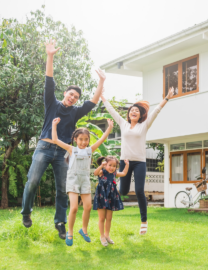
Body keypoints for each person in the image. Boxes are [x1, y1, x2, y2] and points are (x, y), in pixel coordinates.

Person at [21, 39, 106, 240]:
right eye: (71, 94)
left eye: (76, 96)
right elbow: (48, 80)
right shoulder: (51, 103)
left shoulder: (76, 112)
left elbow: (93, 102)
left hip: (63, 154)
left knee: (62, 189)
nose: (73, 98)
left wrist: (101, 82)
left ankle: (60, 222)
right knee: (32, 181)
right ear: (64, 93)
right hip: (44, 147)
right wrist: (50, 56)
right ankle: (26, 212)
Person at [101, 87, 174, 235]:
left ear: (140, 115)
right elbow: (112, 111)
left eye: (137, 111)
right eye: (131, 110)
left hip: (140, 162)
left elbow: (156, 112)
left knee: (140, 190)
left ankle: (144, 221)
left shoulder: (144, 125)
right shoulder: (123, 124)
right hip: (125, 161)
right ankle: (108, 203)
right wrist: (102, 97)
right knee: (123, 190)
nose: (133, 112)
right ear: (128, 114)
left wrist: (166, 98)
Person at [51, 117, 114, 246]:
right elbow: (55, 140)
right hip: (73, 179)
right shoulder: (71, 149)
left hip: (85, 180)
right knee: (74, 208)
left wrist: (109, 128)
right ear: (75, 139)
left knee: (88, 207)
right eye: (81, 139)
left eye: (86, 140)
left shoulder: (89, 150)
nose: (83, 142)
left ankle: (83, 230)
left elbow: (102, 139)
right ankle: (70, 232)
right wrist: (54, 125)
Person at [93, 156, 129, 246]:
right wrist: (101, 166)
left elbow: (124, 173)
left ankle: (107, 235)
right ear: (105, 165)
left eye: (114, 166)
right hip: (102, 195)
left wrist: (127, 165)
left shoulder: (114, 174)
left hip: (111, 196)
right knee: (102, 218)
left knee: (109, 218)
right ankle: (102, 236)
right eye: (110, 165)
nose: (112, 167)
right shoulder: (102, 172)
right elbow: (95, 173)